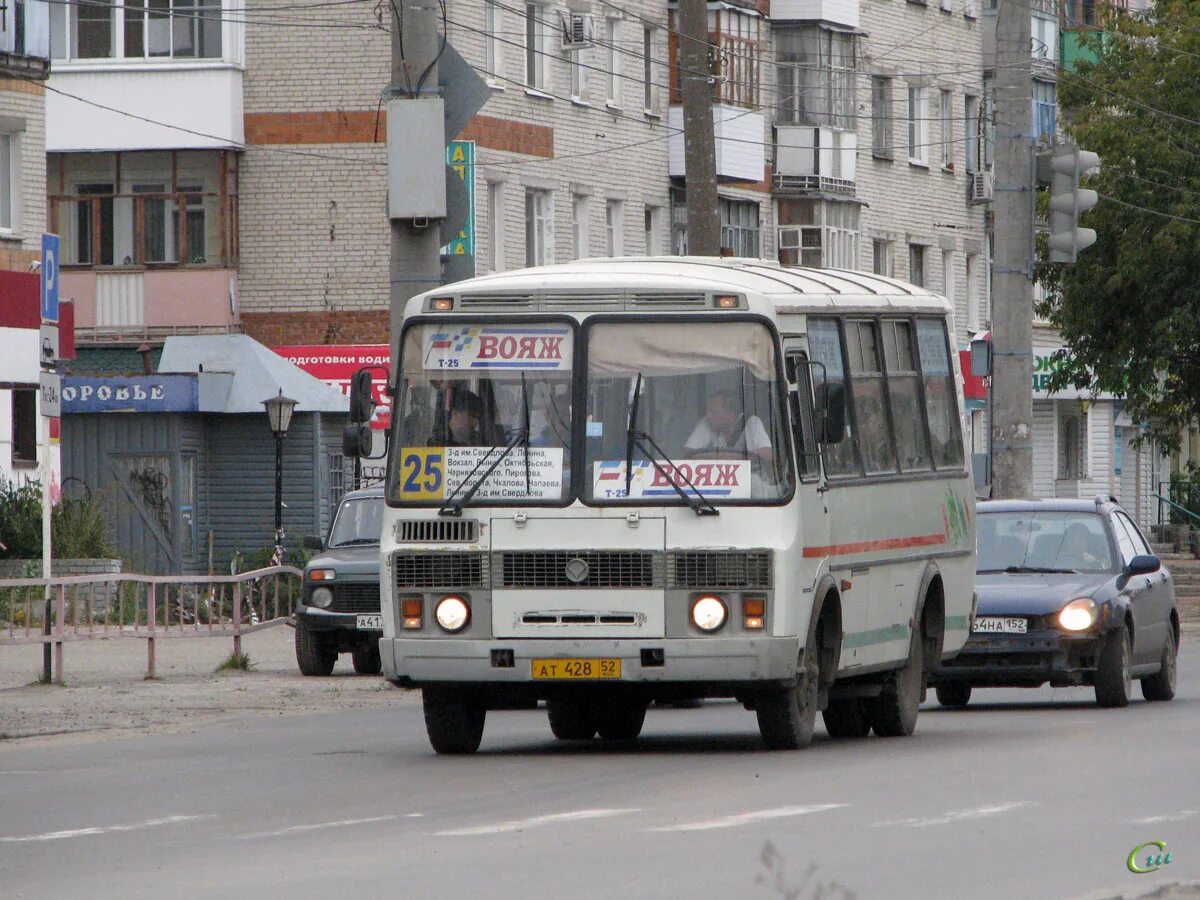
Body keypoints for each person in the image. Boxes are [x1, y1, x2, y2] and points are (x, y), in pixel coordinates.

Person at [684, 389, 773, 465]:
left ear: (731, 415)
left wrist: (733, 457)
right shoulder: (707, 421)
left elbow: (767, 454)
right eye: (708, 410)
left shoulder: (751, 422)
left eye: (714, 412)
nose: (708, 415)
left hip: (749, 479)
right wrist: (719, 457)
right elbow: (688, 452)